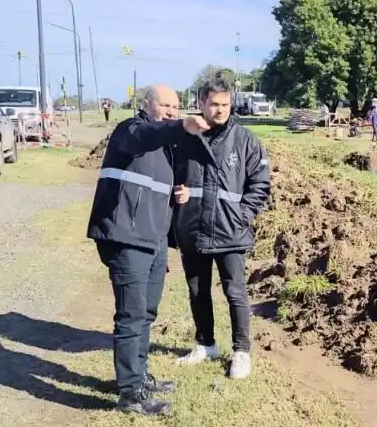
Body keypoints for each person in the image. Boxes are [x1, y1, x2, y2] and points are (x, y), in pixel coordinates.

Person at [87, 86, 208, 416]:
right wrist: (180, 126)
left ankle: (138, 377)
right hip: (126, 236)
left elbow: (152, 186)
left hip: (153, 238)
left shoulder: (165, 146)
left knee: (147, 312)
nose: (171, 111)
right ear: (146, 105)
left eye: (176, 107)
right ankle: (129, 393)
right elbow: (144, 137)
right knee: (131, 314)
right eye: (165, 105)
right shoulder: (131, 129)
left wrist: (177, 193)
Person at [170, 78, 270, 380]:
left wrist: (242, 215)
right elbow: (169, 175)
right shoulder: (185, 138)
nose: (220, 110)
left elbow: (260, 184)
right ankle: (205, 344)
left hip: (231, 231)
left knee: (235, 292)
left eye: (225, 105)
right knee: (197, 291)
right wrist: (177, 194)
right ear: (201, 103)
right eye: (214, 104)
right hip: (193, 229)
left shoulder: (246, 140)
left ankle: (241, 352)